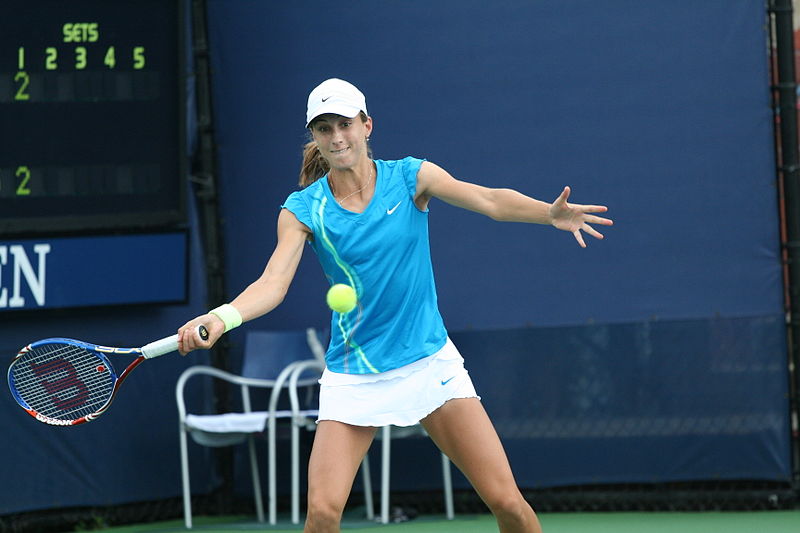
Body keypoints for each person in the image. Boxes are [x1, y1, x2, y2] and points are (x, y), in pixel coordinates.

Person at [178, 78, 612, 533]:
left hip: (427, 362)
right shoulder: (303, 208)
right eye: (324, 128)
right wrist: (221, 317)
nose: (336, 137)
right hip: (353, 376)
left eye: (345, 124)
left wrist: (548, 212)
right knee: (322, 514)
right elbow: (273, 282)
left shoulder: (410, 176)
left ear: (367, 126)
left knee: (507, 502)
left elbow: (486, 199)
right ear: (315, 137)